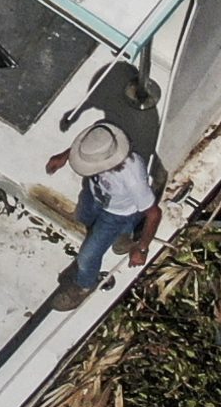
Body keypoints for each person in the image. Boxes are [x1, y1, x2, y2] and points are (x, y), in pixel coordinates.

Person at [45, 121, 161, 311]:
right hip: (96, 196)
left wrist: (142, 249)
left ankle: (84, 285)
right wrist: (65, 157)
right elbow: (85, 148)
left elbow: (154, 214)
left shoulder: (131, 177)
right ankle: (121, 237)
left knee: (87, 257)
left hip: (116, 215)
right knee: (82, 217)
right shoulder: (102, 138)